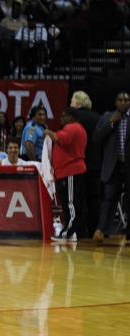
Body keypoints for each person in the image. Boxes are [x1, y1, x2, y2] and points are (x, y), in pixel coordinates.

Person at [43, 107, 86, 243]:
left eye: (64, 116)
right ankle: (70, 231)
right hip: (67, 171)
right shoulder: (77, 128)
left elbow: (59, 138)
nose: (61, 118)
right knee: (70, 202)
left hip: (70, 170)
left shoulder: (72, 128)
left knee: (70, 202)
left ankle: (69, 231)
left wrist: (48, 132)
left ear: (72, 117)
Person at [93, 92, 130, 244]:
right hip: (113, 165)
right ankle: (102, 230)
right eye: (120, 100)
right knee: (108, 197)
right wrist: (110, 123)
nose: (123, 102)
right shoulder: (107, 117)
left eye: (126, 100)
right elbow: (97, 139)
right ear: (115, 102)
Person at [70, 90, 102, 238]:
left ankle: (79, 230)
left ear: (76, 103)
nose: (70, 105)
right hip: (96, 163)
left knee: (78, 197)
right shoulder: (98, 118)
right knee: (94, 197)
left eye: (71, 102)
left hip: (77, 162)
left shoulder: (73, 118)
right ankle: (96, 229)